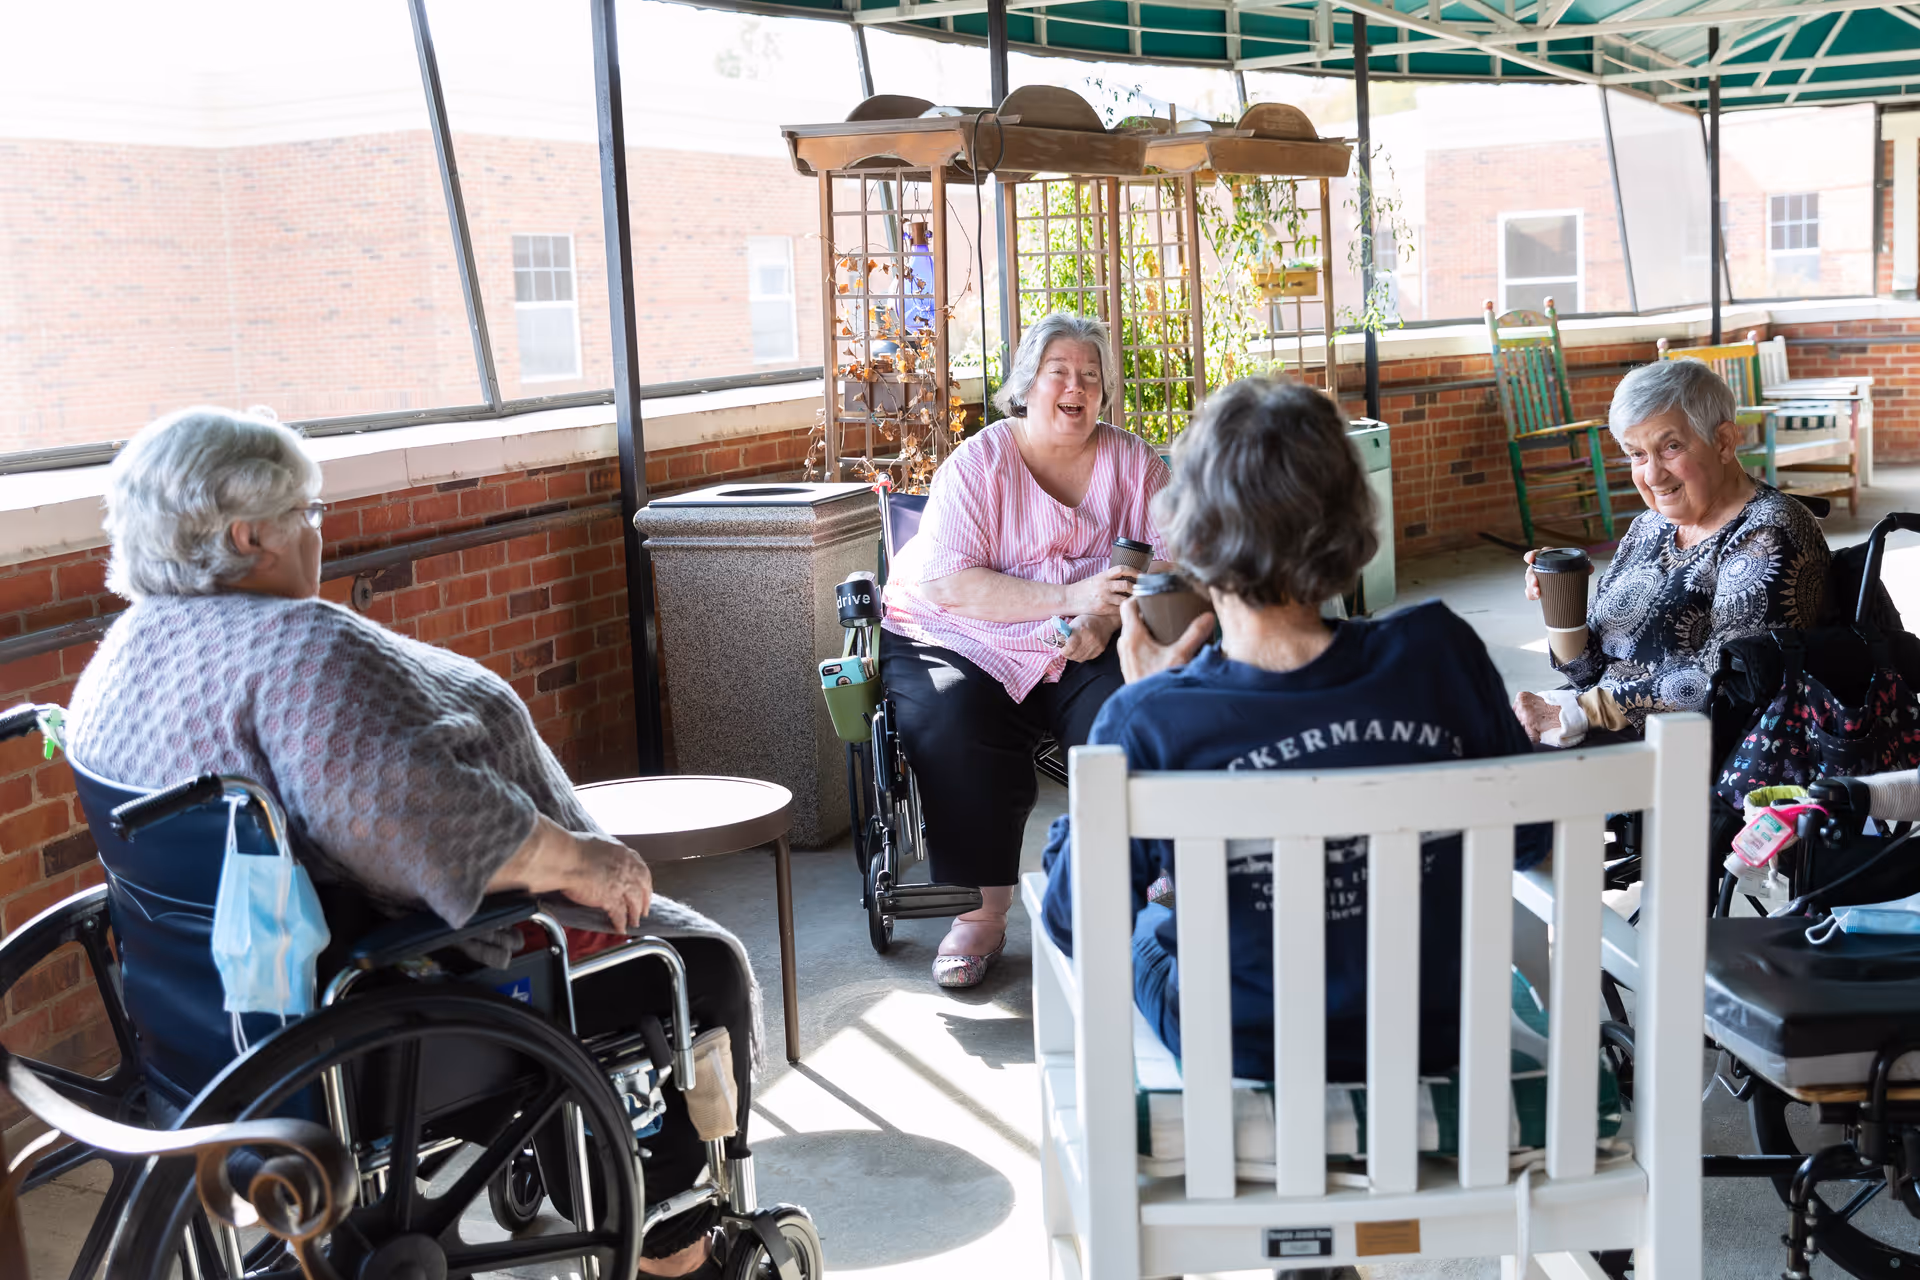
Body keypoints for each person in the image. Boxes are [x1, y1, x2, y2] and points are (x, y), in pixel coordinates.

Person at [65, 406, 748, 1279]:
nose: (320, 533)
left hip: (207, 1015)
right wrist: (584, 860)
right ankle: (677, 1252)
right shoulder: (289, 644)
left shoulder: (125, 652)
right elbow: (406, 821)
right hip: (385, 1004)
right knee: (694, 963)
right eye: (305, 515)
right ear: (245, 534)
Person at [1038, 378, 1547, 1081]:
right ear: (1351, 519)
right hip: (1435, 1038)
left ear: (1192, 537)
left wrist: (1138, 709)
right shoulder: (1440, 653)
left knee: (1148, 925)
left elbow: (1074, 924)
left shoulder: (1149, 717)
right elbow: (1530, 840)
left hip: (1245, 1053)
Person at [881, 312, 1175, 989]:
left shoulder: (1133, 463)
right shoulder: (979, 466)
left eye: (1091, 378)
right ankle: (979, 916)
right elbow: (953, 587)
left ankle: (1146, 879)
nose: (1076, 388)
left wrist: (1107, 619)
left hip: (1082, 636)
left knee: (1130, 711)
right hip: (961, 634)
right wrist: (1074, 598)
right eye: (1059, 374)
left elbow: (1171, 564)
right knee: (952, 723)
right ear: (1026, 386)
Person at [1513, 358, 1831, 747]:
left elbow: (1728, 680)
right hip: (1612, 729)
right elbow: (1587, 670)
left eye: (1671, 447)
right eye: (1636, 454)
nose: (1652, 475)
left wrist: (1578, 712)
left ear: (1724, 441)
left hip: (1698, 751)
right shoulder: (1649, 526)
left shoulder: (1770, 530)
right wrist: (1561, 607)